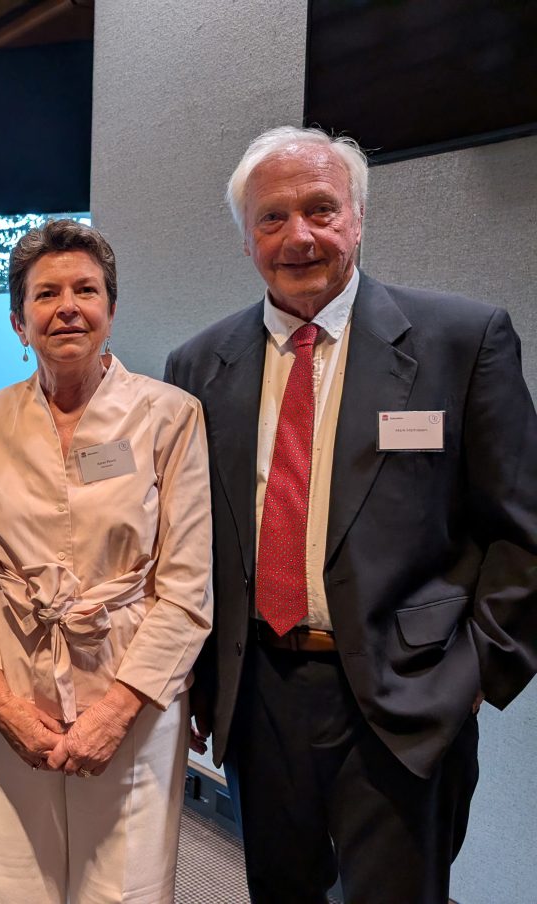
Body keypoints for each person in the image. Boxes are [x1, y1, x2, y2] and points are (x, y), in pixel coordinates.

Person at [164, 126, 537, 903]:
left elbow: (521, 533)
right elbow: (191, 539)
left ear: (358, 220)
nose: (298, 235)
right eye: (272, 218)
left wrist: (474, 676)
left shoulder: (461, 341)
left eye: (321, 210)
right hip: (259, 694)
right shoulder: (197, 366)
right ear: (245, 241)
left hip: (407, 698)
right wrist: (199, 683)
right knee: (280, 889)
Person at [0, 219, 213, 904]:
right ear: (18, 321)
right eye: (46, 294)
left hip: (133, 685)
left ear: (112, 310)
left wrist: (118, 711)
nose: (67, 306)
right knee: (11, 882)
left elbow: (186, 583)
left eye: (86, 290)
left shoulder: (171, 417)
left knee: (123, 888)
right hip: (14, 684)